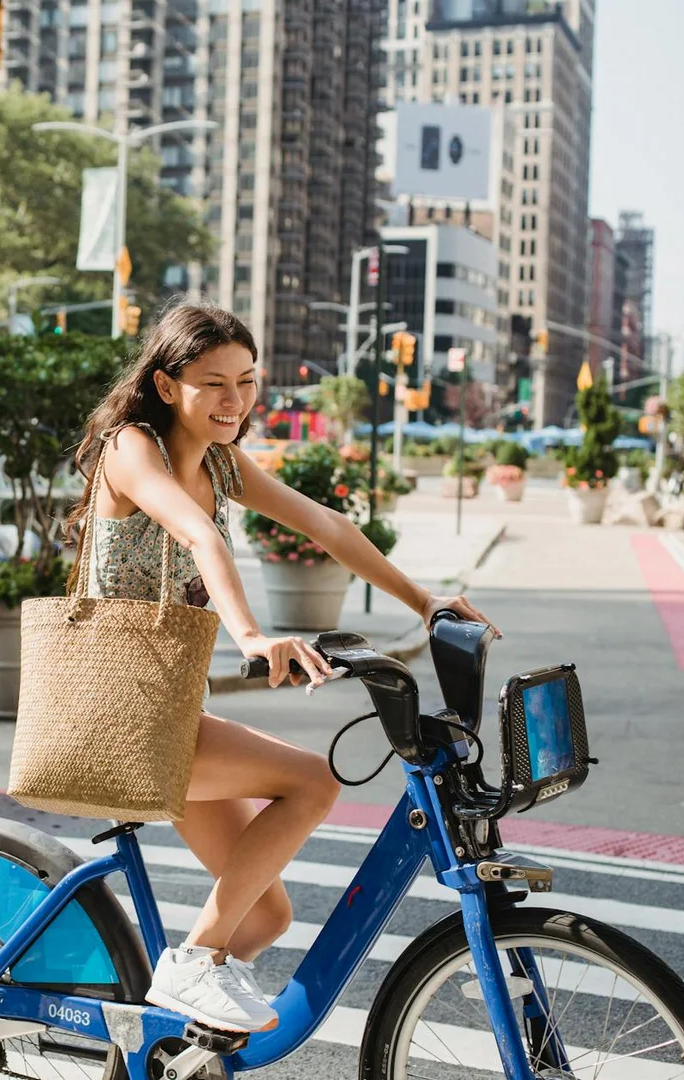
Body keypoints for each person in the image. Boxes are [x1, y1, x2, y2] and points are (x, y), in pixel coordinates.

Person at [66, 301, 495, 1033]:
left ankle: (161, 1042)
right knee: (312, 781)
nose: (235, 400)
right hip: (116, 715)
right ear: (168, 386)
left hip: (171, 713)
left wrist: (425, 602)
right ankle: (190, 966)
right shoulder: (132, 447)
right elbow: (199, 535)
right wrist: (253, 635)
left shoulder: (223, 462)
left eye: (247, 380)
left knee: (263, 916)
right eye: (213, 383)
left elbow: (326, 525)